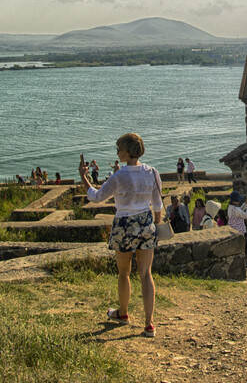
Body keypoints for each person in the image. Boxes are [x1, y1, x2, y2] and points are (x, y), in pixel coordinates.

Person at [78, 132, 163, 339]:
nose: (117, 152)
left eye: (119, 149)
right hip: (145, 223)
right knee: (146, 274)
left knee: (124, 273)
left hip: (124, 224)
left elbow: (96, 197)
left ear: (126, 152)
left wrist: (84, 178)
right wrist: (156, 226)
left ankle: (123, 314)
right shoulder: (152, 172)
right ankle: (149, 324)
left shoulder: (119, 176)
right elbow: (158, 205)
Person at [227, 191, 247, 258]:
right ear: (235, 201)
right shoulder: (236, 209)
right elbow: (245, 215)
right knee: (245, 247)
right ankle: (244, 262)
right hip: (239, 231)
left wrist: (245, 204)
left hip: (234, 229)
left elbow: (240, 210)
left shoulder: (231, 207)